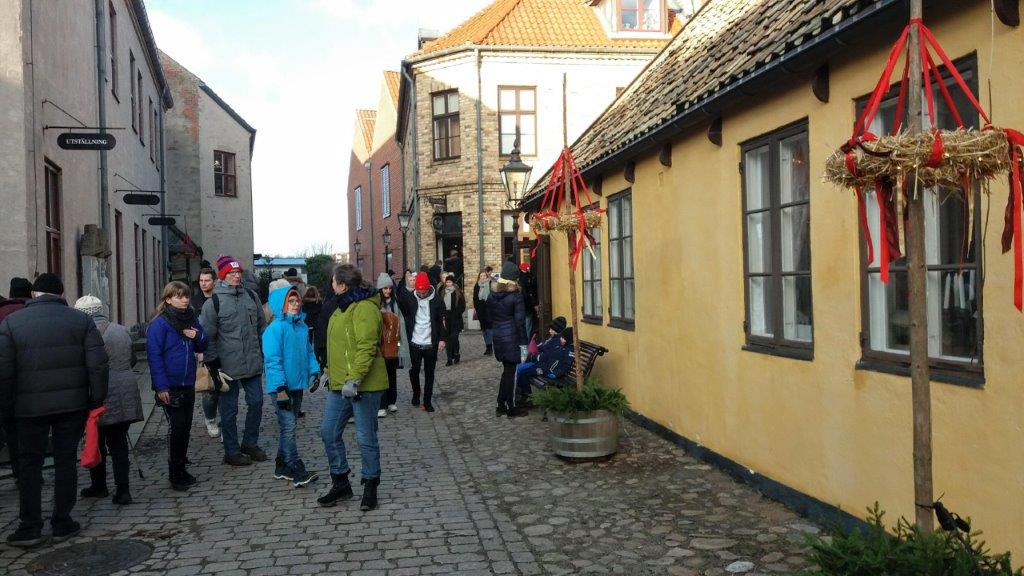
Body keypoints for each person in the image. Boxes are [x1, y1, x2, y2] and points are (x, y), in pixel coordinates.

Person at [0, 273, 108, 547]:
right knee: (65, 461)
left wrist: (7, 407)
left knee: (29, 465)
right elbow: (97, 364)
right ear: (61, 294)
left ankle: (30, 526)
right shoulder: (81, 320)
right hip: (72, 405)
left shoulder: (12, 323)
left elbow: (4, 371)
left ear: (33, 295)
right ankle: (62, 521)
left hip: (28, 408)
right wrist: (96, 399)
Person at [317, 265, 387, 511]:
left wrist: (354, 378)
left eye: (333, 281)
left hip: (363, 384)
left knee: (365, 436)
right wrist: (328, 372)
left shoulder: (364, 307)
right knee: (328, 431)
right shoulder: (341, 306)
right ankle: (341, 482)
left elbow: (366, 346)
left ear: (342, 285)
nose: (331, 284)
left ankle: (370, 484)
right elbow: (338, 347)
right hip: (339, 383)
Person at [199, 255, 268, 467]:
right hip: (226, 367)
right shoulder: (213, 303)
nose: (237, 276)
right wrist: (213, 364)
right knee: (229, 411)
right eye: (231, 273)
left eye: (238, 272)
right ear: (223, 276)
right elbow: (207, 337)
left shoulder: (251, 296)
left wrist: (263, 353)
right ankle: (231, 451)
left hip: (252, 363)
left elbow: (261, 327)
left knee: (256, 402)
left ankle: (250, 443)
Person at [75, 296, 143, 505]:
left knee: (97, 440)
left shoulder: (83, 333)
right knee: (119, 442)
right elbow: (132, 359)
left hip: (99, 392)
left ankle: (99, 485)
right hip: (125, 389)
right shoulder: (121, 330)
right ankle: (123, 489)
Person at [148, 282, 208, 491]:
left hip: (187, 381)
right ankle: (175, 473)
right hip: (170, 384)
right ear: (168, 299)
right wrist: (161, 387)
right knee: (177, 428)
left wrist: (197, 336)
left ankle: (182, 468)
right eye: (179, 296)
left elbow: (204, 342)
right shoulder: (160, 324)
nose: (184, 300)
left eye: (186, 296)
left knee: (186, 427)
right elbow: (154, 357)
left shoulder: (191, 318)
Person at [262, 286, 319, 487]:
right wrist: (280, 388)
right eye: (291, 301)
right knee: (289, 426)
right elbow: (273, 361)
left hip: (296, 385)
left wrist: (314, 372)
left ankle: (281, 465)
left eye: (297, 301)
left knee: (289, 425)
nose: (295, 305)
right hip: (281, 388)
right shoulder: (274, 329)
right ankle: (296, 468)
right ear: (282, 305)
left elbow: (309, 352)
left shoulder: (301, 327)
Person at [396, 271, 446, 412]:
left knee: (430, 373)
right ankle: (416, 393)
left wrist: (442, 339)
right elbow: (402, 308)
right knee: (414, 370)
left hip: (431, 342)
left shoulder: (437, 300)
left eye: (423, 292)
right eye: (418, 292)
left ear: (428, 288)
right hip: (414, 342)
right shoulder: (410, 298)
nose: (421, 294)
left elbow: (442, 320)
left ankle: (427, 401)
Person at [487, 262, 529, 418]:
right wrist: (524, 345)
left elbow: (489, 317)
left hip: (498, 337)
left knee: (507, 371)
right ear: (514, 279)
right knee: (511, 373)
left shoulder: (492, 295)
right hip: (512, 338)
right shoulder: (516, 296)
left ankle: (500, 405)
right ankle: (511, 407)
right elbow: (520, 323)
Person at [0, 277, 31, 480]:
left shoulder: (1, 313)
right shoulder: (33, 313)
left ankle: (19, 473)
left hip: (5, 385)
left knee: (11, 431)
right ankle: (31, 472)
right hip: (31, 384)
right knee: (32, 431)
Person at [191, 268, 221, 439]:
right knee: (209, 387)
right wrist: (198, 349)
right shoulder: (194, 302)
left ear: (214, 281)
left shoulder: (220, 299)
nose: (203, 284)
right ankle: (210, 419)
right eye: (201, 280)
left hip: (222, 348)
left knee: (224, 386)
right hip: (204, 348)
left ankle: (225, 421)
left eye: (207, 280)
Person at [515, 318, 573, 404]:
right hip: (543, 367)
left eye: (563, 338)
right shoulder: (557, 343)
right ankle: (525, 396)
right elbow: (546, 353)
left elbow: (565, 365)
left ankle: (527, 397)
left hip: (547, 370)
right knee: (523, 372)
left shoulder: (566, 349)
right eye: (561, 337)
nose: (561, 339)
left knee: (523, 372)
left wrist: (555, 373)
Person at [376, 273, 409, 416]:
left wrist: (400, 342)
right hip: (381, 344)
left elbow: (401, 322)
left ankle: (391, 401)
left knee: (392, 374)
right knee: (381, 375)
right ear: (380, 289)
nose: (388, 291)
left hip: (393, 344)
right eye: (385, 288)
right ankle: (382, 404)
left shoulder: (395, 303)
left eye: (389, 288)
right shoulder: (377, 304)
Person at [441, 275, 465, 366]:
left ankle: (456, 354)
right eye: (447, 282)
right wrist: (442, 315)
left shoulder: (458, 292)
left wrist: (456, 313)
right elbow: (440, 305)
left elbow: (462, 306)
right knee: (447, 339)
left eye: (450, 282)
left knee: (454, 338)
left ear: (453, 283)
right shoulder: (443, 292)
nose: (448, 283)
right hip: (446, 319)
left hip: (456, 319)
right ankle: (449, 358)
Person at [472, 270, 494, 356]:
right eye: (481, 276)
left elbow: (493, 296)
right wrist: (476, 308)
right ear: (479, 277)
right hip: (480, 310)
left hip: (489, 309)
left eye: (484, 275)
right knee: (484, 329)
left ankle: (490, 347)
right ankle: (487, 347)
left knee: (489, 328)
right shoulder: (477, 285)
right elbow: (474, 298)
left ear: (487, 276)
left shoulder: (490, 284)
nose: (483, 277)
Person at [518, 262, 539, 340]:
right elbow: (528, 293)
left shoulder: (519, 277)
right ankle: (526, 340)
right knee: (528, 323)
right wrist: (534, 303)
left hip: (521, 305)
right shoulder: (526, 278)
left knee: (524, 324)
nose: (529, 268)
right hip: (527, 305)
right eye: (528, 267)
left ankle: (523, 340)